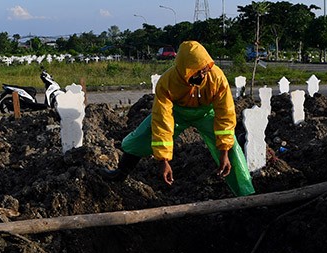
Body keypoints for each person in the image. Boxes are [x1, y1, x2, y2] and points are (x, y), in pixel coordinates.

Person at [102, 40, 255, 197]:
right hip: (177, 112)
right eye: (198, 72)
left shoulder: (216, 77)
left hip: (206, 113)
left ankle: (245, 193)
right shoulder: (167, 82)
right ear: (185, 71)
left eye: (205, 70)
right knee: (142, 136)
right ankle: (120, 174)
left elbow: (225, 114)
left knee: (232, 147)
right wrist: (164, 161)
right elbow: (162, 120)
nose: (203, 74)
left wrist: (224, 153)